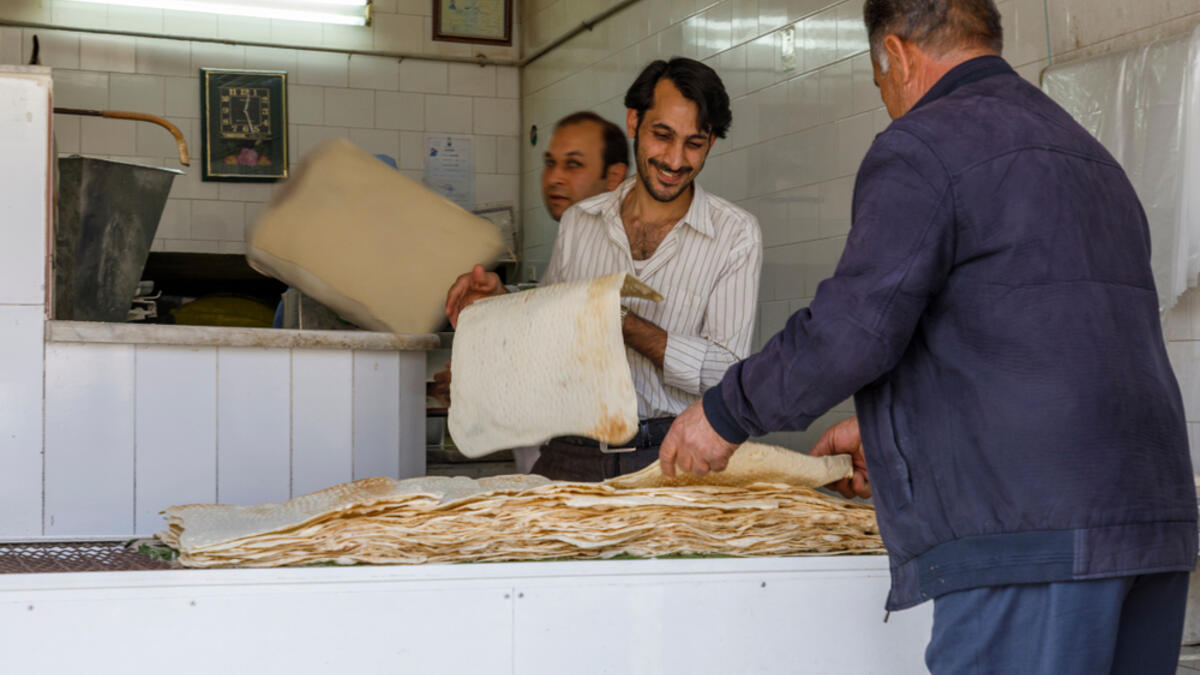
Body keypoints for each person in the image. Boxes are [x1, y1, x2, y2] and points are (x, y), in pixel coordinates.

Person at [657, 0, 1198, 672]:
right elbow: (1040, 343)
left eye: (877, 77)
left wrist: (724, 411)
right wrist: (892, 434)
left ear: (897, 53)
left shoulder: (923, 144)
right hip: (1152, 525)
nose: (884, 95)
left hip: (1027, 537)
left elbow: (852, 331)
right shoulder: (1088, 156)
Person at [447, 57, 763, 482]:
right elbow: (547, 335)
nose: (674, 159)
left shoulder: (735, 235)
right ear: (634, 122)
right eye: (662, 135)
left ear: (712, 144)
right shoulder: (581, 222)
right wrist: (496, 306)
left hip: (669, 457)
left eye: (695, 143)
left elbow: (727, 376)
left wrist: (619, 322)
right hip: (568, 454)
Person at [429, 111, 630, 471]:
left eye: (573, 165)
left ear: (613, 177)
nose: (554, 177)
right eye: (550, 163)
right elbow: (538, 341)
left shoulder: (625, 252)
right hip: (549, 468)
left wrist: (478, 382)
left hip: (597, 467)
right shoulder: (572, 237)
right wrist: (500, 301)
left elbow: (579, 368)